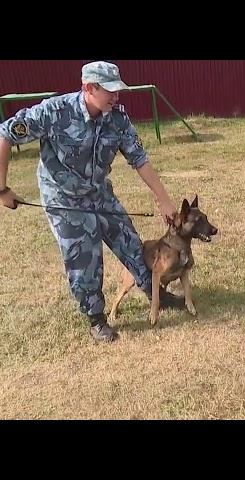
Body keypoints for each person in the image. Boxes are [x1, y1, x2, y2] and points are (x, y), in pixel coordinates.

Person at [0, 61, 186, 343]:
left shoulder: (117, 119)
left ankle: (155, 292)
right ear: (89, 88)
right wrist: (2, 190)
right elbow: (4, 134)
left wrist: (164, 200)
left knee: (131, 243)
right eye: (110, 90)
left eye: (118, 90)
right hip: (65, 201)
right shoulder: (53, 112)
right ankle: (96, 318)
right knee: (84, 258)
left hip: (99, 192)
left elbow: (139, 159)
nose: (116, 96)